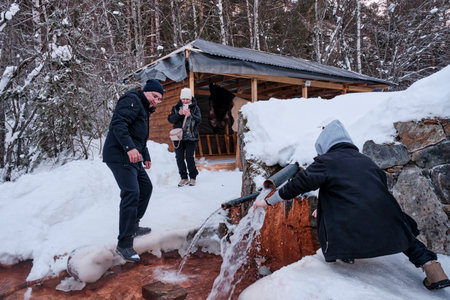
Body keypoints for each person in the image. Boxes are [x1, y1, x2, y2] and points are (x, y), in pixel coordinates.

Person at [254, 120, 450, 290]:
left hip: (352, 227)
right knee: (403, 232)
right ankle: (433, 268)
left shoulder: (327, 161)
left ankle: (341, 259)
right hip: (389, 220)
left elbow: (298, 184)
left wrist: (268, 201)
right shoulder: (367, 161)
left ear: (325, 145)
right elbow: (364, 192)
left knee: (332, 219)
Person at [103, 79, 164, 262]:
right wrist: (129, 148)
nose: (156, 101)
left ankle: (133, 226)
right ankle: (124, 244)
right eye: (154, 96)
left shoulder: (144, 108)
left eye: (159, 99)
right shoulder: (131, 100)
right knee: (131, 192)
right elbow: (118, 124)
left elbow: (140, 137)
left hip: (133, 157)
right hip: (118, 154)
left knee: (146, 188)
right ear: (146, 92)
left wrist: (145, 155)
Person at [168, 87, 202, 187]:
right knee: (179, 158)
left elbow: (199, 121)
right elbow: (171, 120)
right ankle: (183, 177)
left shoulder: (195, 108)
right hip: (178, 137)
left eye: (187, 99)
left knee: (189, 157)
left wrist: (190, 115)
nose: (185, 101)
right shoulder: (176, 107)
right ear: (181, 98)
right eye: (183, 99)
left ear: (190, 99)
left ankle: (193, 177)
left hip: (191, 136)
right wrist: (178, 114)